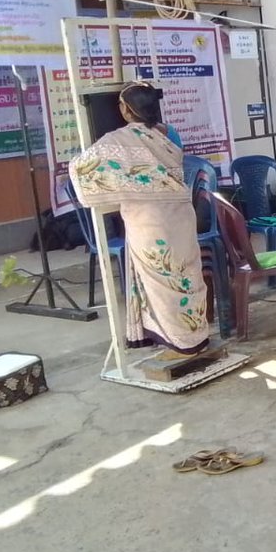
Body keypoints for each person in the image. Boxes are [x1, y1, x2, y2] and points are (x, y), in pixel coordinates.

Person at [68, 82, 208, 359]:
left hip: (149, 220)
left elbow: (83, 167)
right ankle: (196, 335)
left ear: (127, 110)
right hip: (181, 215)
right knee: (187, 274)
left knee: (161, 279)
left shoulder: (117, 140)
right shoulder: (170, 134)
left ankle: (181, 342)